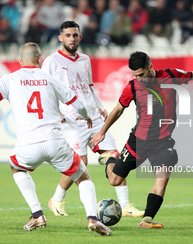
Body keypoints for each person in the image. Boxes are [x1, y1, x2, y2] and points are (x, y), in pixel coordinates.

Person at [0, 42, 112, 236]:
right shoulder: (49, 78)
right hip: (55, 141)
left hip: (28, 144)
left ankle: (37, 214)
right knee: (83, 177)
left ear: (19, 61)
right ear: (40, 60)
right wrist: (87, 116)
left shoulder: (10, 79)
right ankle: (92, 218)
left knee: (16, 166)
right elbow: (77, 103)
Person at [91, 51, 193, 229]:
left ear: (150, 66)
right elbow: (118, 109)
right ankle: (112, 158)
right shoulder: (132, 87)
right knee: (114, 180)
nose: (140, 79)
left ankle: (147, 220)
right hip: (139, 140)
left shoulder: (170, 76)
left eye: (142, 74)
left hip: (163, 142)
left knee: (162, 180)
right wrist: (102, 132)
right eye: (136, 75)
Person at [42, 20, 144, 218]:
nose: (72, 39)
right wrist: (56, 113)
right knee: (81, 162)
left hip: (94, 117)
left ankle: (124, 205)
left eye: (75, 35)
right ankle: (57, 199)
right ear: (60, 37)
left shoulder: (85, 59)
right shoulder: (51, 61)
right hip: (72, 120)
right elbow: (46, 90)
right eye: (68, 35)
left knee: (114, 155)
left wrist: (99, 106)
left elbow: (87, 87)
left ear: (80, 37)